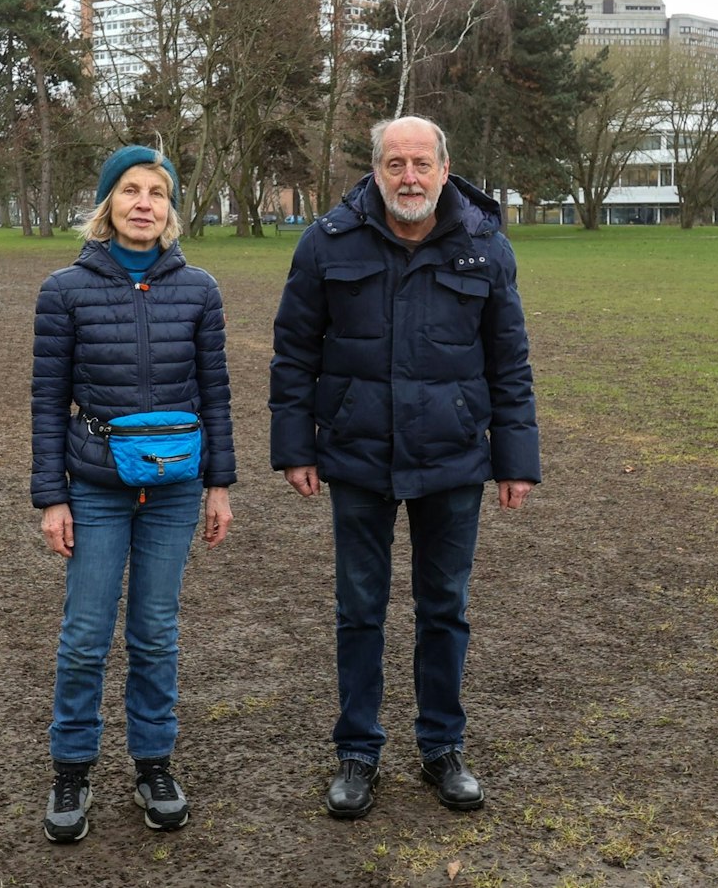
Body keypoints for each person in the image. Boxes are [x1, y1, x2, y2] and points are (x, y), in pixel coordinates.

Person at [270, 115, 539, 820]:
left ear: (446, 170)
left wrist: (516, 458)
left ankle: (442, 746)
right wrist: (296, 445)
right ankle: (357, 752)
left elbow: (509, 362)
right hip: (358, 455)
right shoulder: (326, 243)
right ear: (375, 170)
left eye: (422, 163)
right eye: (396, 164)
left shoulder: (485, 247)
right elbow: (294, 352)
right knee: (359, 609)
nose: (409, 176)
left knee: (443, 609)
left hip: (453, 458)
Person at [30, 145, 236, 844]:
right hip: (93, 486)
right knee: (85, 635)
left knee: (155, 632)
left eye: (157, 192)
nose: (144, 202)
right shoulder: (64, 290)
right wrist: (50, 497)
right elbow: (46, 400)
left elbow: (217, 394)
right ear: (107, 204)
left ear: (170, 208)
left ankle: (154, 762)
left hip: (176, 488)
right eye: (130, 190)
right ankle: (72, 767)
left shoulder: (200, 289)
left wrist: (221, 485)